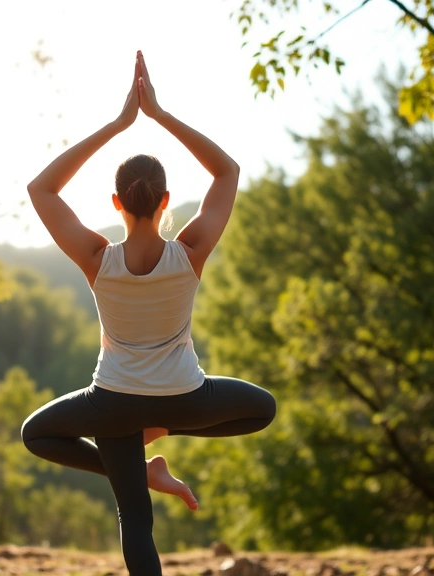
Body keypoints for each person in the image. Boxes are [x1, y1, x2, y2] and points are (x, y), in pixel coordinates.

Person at [20, 51, 276, 576]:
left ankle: (135, 469)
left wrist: (118, 125)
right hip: (187, 400)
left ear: (116, 203)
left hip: (112, 405)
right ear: (166, 201)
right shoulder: (191, 251)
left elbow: (40, 189)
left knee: (58, 453)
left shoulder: (97, 260)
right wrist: (158, 115)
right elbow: (227, 170)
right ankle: (149, 453)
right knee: (262, 408)